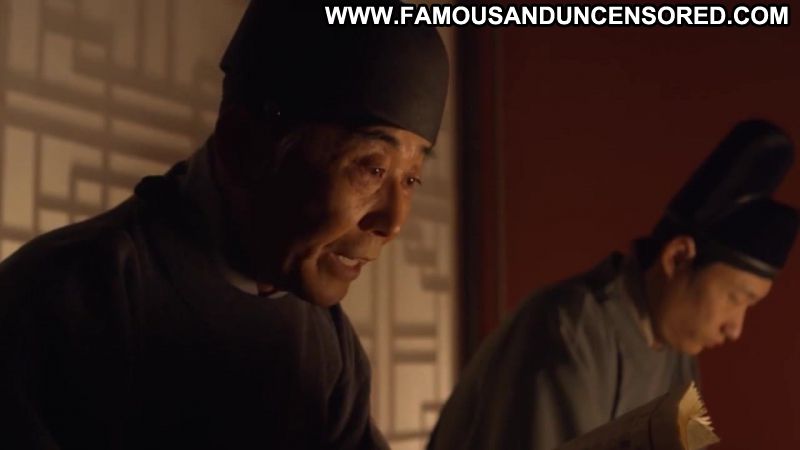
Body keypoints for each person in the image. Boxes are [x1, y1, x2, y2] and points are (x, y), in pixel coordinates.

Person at [0, 1, 449, 449]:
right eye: (372, 168)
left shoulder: (330, 345)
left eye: (411, 179)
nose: (394, 220)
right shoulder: (68, 296)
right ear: (244, 144)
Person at [428, 120, 799, 450]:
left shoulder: (679, 354)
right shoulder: (569, 328)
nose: (735, 327)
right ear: (677, 258)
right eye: (736, 298)